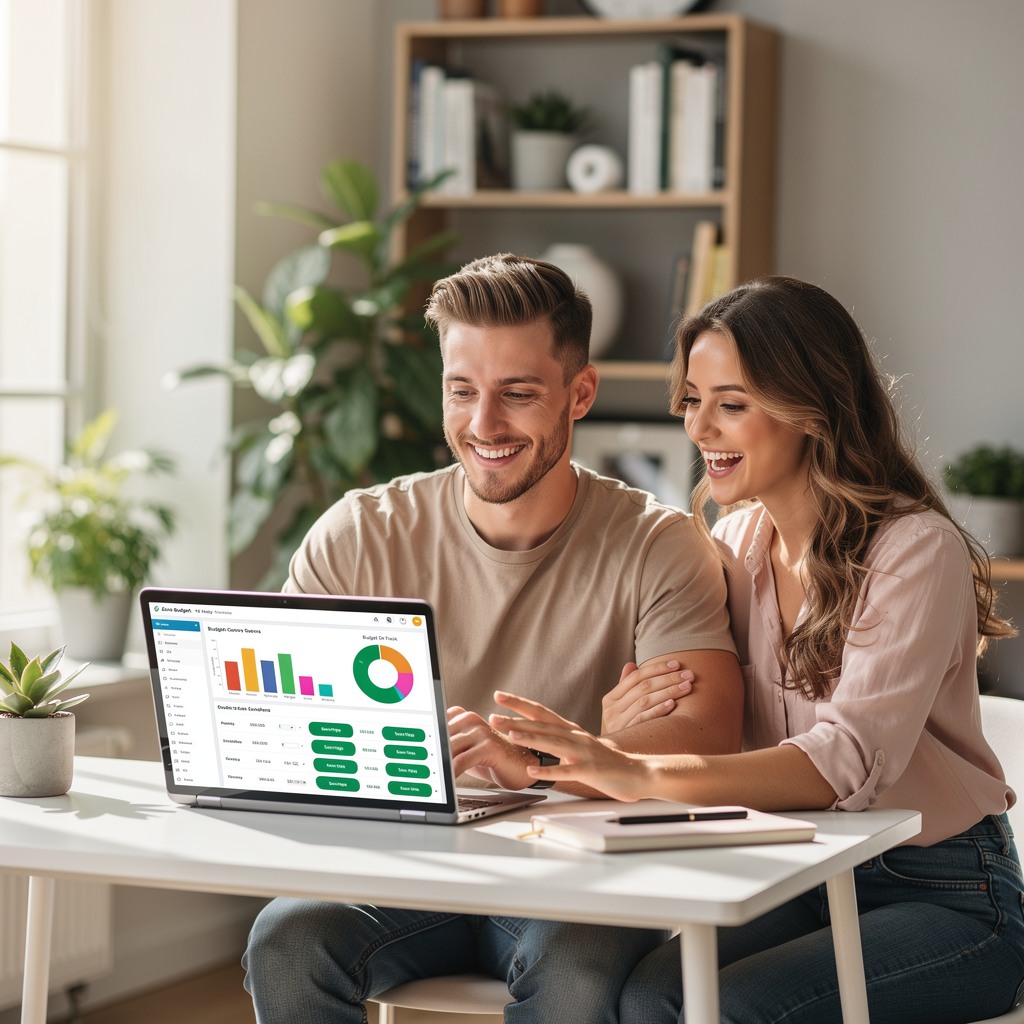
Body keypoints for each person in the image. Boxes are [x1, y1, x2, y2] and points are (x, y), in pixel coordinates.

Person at [490, 275, 1024, 1024]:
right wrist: (616, 736)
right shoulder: (735, 544)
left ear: (813, 412)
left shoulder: (913, 552)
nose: (700, 428)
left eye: (731, 405)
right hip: (804, 875)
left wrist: (631, 766)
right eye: (693, 402)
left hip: (947, 894)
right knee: (653, 998)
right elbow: (693, 712)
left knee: (732, 1009)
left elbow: (844, 762)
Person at [242, 252, 744, 1024]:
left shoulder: (658, 543)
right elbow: (289, 733)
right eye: (461, 390)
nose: (483, 425)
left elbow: (705, 737)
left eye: (517, 394)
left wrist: (536, 764)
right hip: (405, 875)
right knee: (286, 942)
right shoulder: (359, 534)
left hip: (576, 879)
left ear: (580, 394)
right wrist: (600, 742)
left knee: (577, 965)